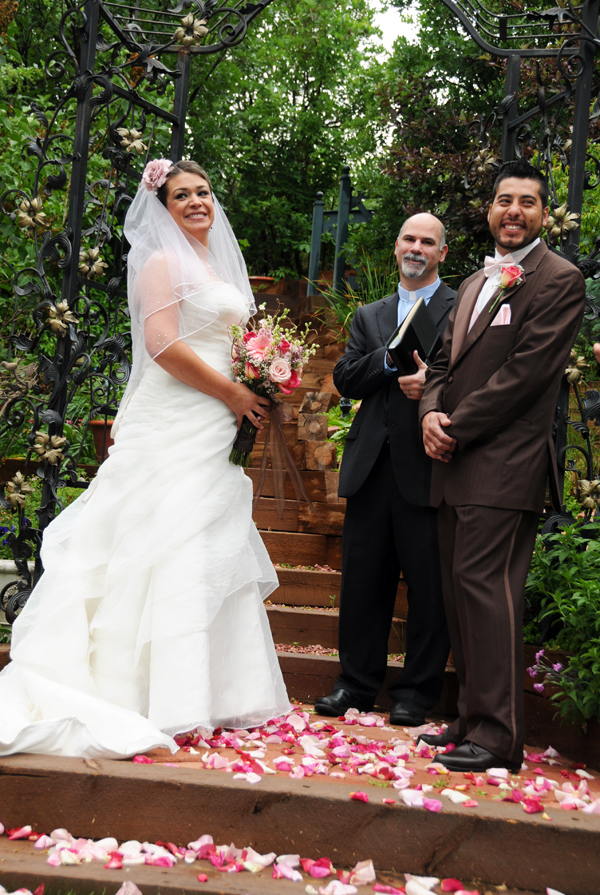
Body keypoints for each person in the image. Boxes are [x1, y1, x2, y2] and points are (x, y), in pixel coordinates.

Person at [0, 159, 291, 758]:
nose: (195, 202)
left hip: (215, 424)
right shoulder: (162, 263)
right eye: (180, 195)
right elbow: (161, 344)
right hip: (176, 417)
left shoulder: (216, 266)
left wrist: (262, 374)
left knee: (205, 544)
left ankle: (208, 692)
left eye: (203, 191)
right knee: (161, 538)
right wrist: (234, 391)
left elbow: (232, 340)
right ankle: (144, 693)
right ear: (162, 209)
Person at [418, 160, 585, 771]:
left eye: (527, 202)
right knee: (460, 597)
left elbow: (526, 377)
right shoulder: (468, 284)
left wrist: (454, 428)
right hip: (453, 460)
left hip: (504, 465)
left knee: (489, 596)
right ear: (489, 210)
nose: (513, 211)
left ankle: (496, 738)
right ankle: (467, 719)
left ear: (545, 215)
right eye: (503, 200)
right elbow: (441, 364)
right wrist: (430, 415)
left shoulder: (559, 280)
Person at [315, 214, 457, 726]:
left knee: (428, 587)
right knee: (362, 584)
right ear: (397, 247)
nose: (417, 248)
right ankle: (354, 685)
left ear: (442, 252)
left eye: (428, 242)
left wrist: (435, 388)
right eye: (409, 239)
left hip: (430, 467)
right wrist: (393, 359)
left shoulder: (460, 308)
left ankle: (416, 694)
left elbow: (471, 377)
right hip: (371, 467)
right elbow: (347, 378)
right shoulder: (368, 315)